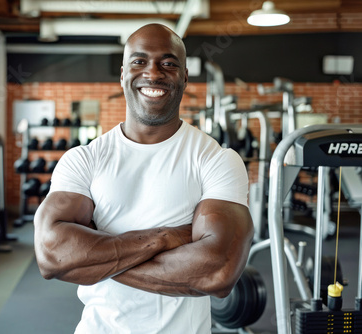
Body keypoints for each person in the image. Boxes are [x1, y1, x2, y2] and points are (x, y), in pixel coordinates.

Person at [34, 23, 254, 333]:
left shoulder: (217, 160)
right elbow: (51, 254)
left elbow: (217, 273)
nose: (153, 72)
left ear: (185, 77)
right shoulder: (83, 159)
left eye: (168, 63)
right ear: (123, 74)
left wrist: (90, 258)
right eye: (139, 61)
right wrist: (166, 237)